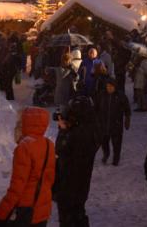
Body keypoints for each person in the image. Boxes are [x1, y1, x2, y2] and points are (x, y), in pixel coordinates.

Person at [0, 107, 56, 227]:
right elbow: (49, 179)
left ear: (27, 123)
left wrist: (1, 214)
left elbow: (17, 186)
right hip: (42, 208)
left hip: (27, 210)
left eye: (20, 122)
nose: (17, 125)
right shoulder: (49, 144)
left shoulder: (24, 147)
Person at [53, 97, 98, 226]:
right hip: (82, 184)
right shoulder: (91, 129)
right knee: (79, 213)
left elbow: (60, 150)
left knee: (68, 217)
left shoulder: (75, 134)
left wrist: (63, 130)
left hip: (68, 183)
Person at [95, 78, 131, 166]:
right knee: (104, 142)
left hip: (116, 124)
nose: (109, 88)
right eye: (107, 86)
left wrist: (127, 119)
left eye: (111, 86)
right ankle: (106, 154)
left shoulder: (121, 96)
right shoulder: (102, 95)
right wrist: (96, 120)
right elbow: (96, 108)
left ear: (115, 87)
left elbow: (127, 109)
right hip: (103, 124)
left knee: (116, 144)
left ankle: (116, 159)